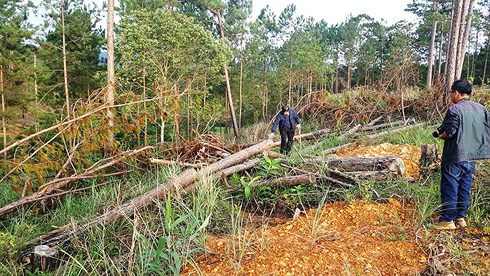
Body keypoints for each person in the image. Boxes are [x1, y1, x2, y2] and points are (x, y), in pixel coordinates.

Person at [433, 79, 490, 230]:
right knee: (465, 187)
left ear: (456, 93)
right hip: (472, 156)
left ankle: (447, 220)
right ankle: (460, 218)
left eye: (451, 93)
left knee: (450, 186)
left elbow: (450, 132)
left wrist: (441, 135)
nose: (451, 95)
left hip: (455, 155)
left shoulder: (455, 110)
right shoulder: (482, 109)